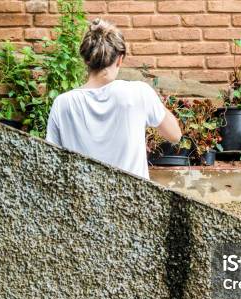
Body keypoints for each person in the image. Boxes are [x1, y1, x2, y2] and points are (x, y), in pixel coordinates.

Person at [46, 19, 182, 180]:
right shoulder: (139, 92)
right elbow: (175, 135)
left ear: (86, 59)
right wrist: (154, 101)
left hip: (82, 202)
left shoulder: (63, 103)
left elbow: (51, 161)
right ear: (119, 59)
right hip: (132, 201)